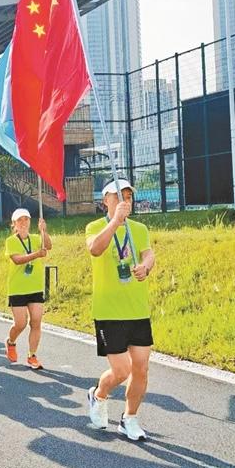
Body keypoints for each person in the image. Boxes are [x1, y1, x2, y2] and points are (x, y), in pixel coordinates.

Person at [85, 179, 155, 441]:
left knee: (141, 368)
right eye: (118, 196)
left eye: (128, 196)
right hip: (109, 312)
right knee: (122, 371)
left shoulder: (139, 229)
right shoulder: (94, 227)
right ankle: (99, 394)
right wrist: (115, 222)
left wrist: (145, 267)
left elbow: (149, 254)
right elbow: (95, 249)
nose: (125, 201)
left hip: (137, 309)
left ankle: (129, 418)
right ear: (106, 200)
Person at [4, 209, 52, 370]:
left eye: (26, 219)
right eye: (20, 220)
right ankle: (11, 342)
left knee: (36, 321)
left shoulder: (36, 238)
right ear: (14, 224)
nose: (23, 223)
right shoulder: (11, 241)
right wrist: (36, 255)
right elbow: (17, 260)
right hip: (17, 288)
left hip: (35, 286)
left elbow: (48, 246)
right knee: (20, 323)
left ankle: (32, 355)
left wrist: (43, 231)